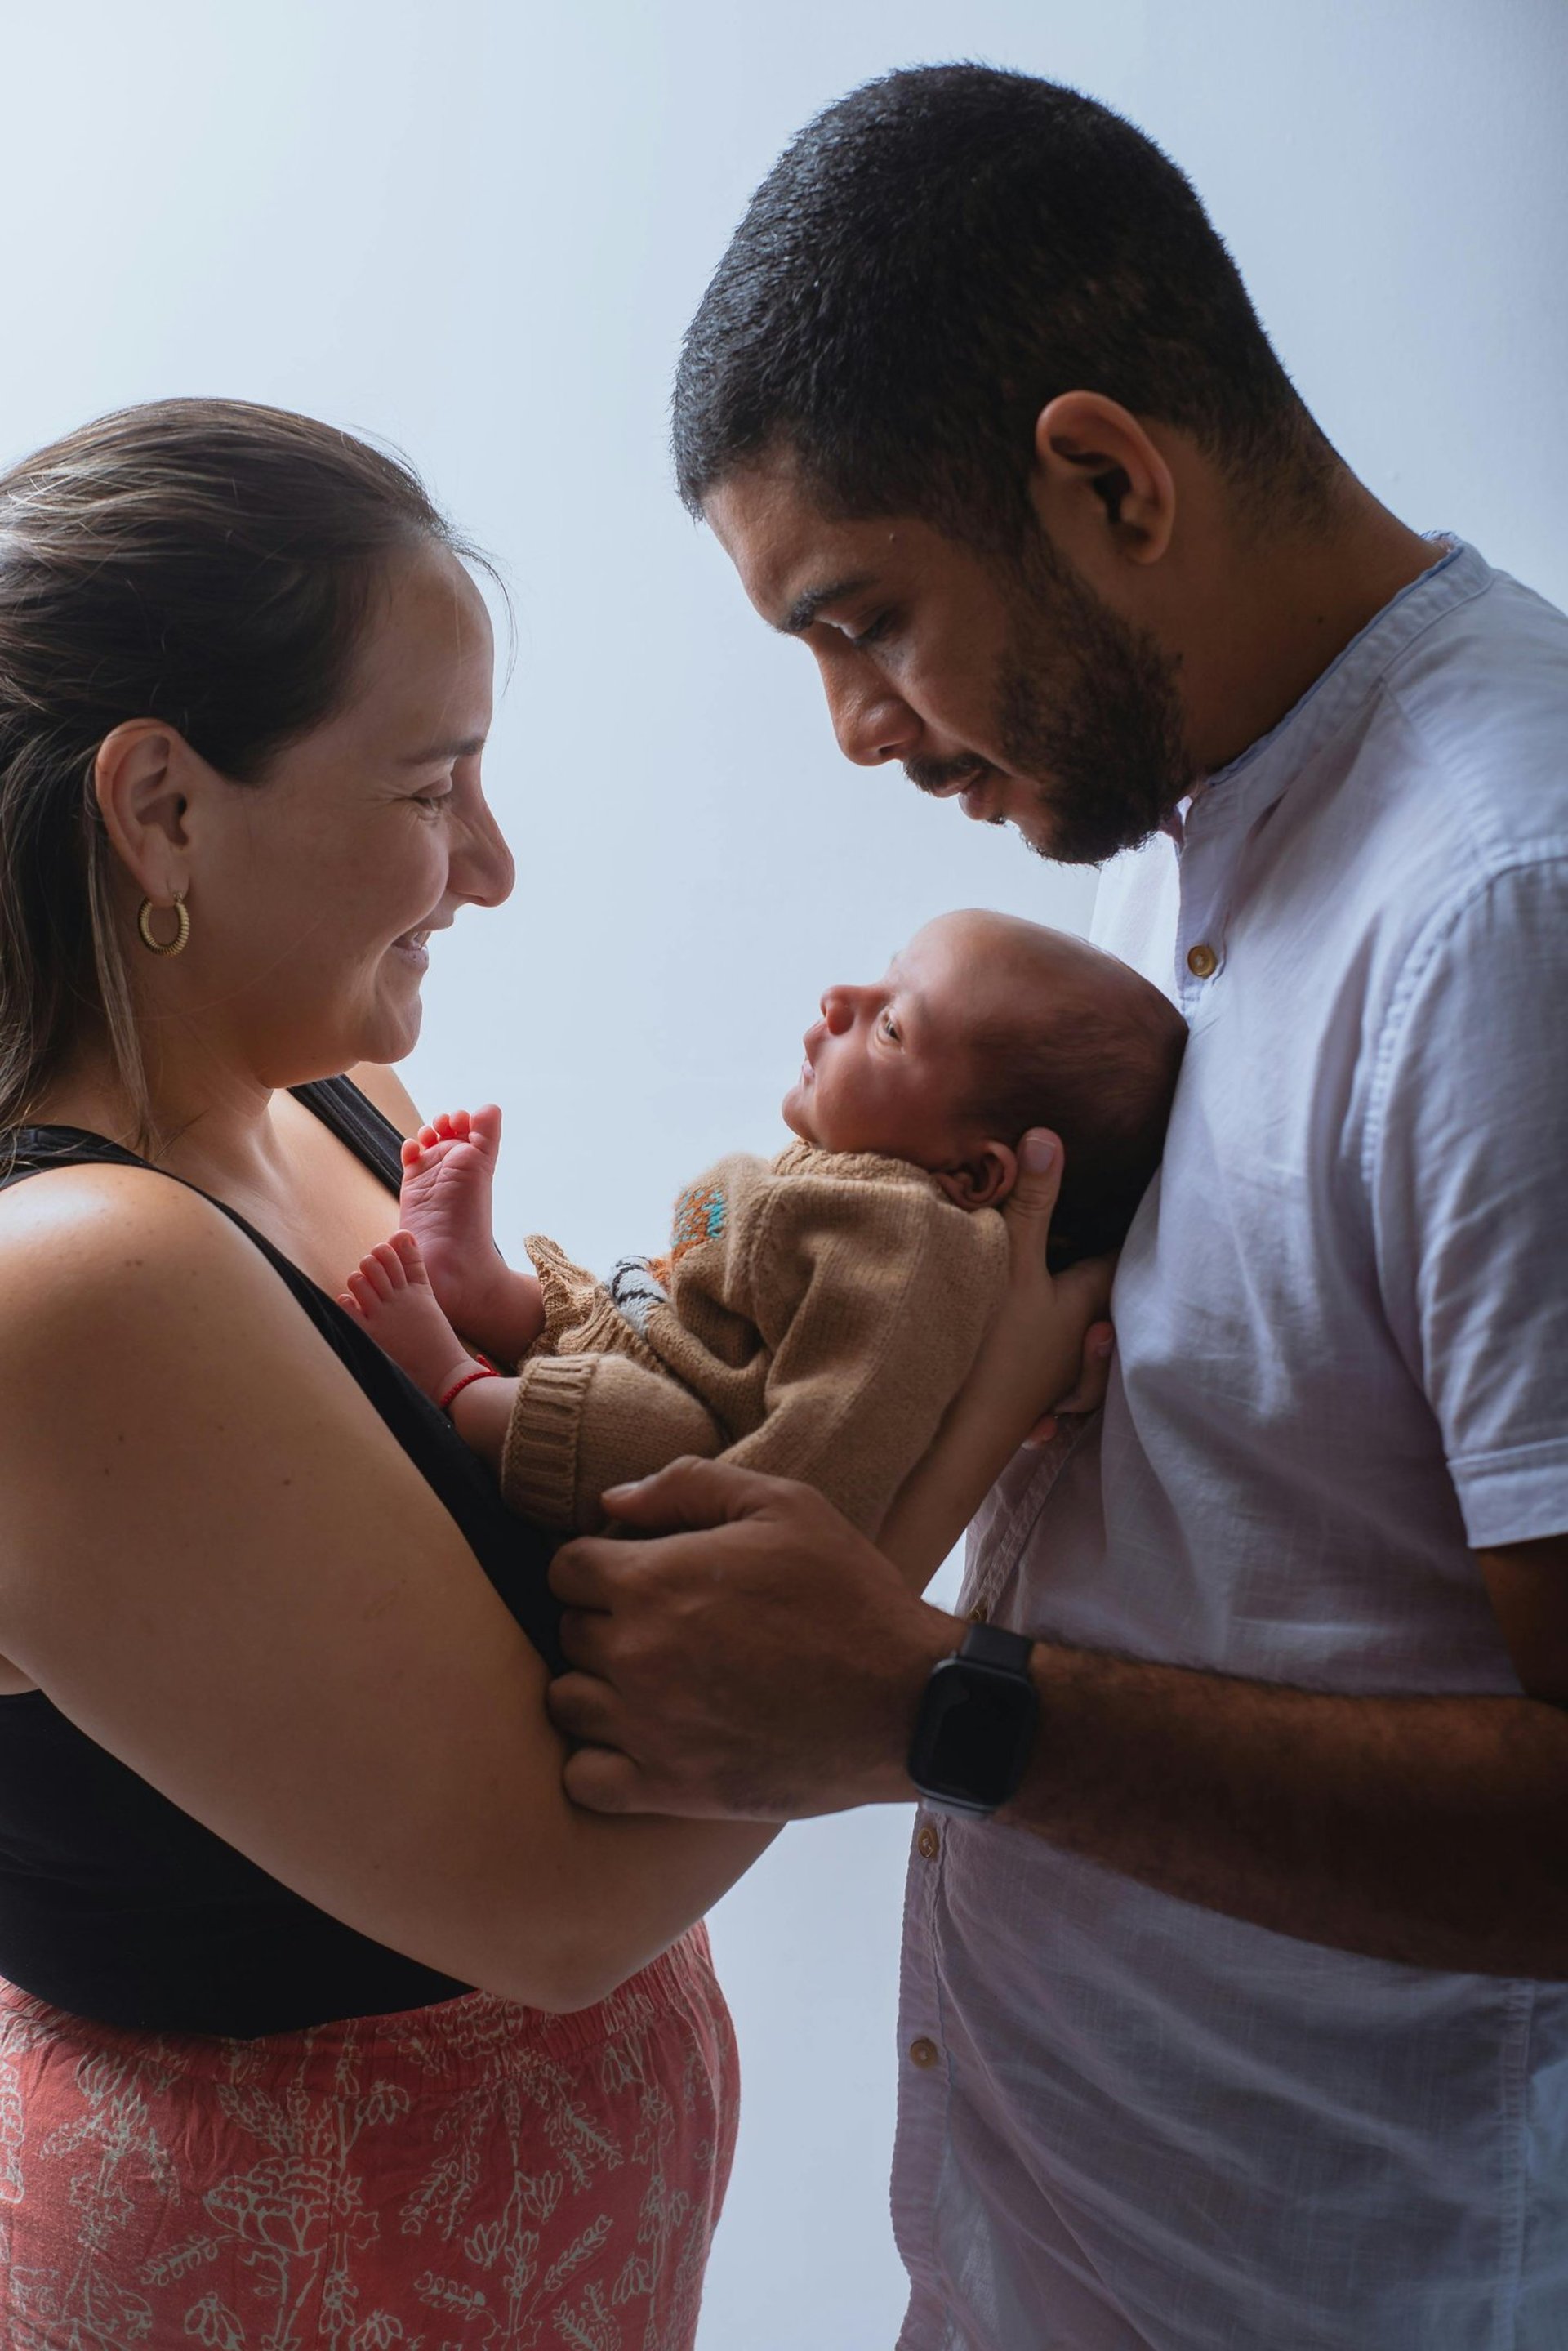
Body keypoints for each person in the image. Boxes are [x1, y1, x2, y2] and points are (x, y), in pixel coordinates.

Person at [543, 64, 1568, 2351]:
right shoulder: (1182, 838)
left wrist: (941, 1708)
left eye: (865, 620)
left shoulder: (1506, 908)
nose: (853, 731)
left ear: (1108, 478)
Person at [0, 395, 1107, 2348]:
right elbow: (556, 1906)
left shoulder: (331, 1102)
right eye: (432, 788)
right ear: (163, 804)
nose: (490, 867)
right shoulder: (79, 1279)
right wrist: (979, 1410)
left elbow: (619, 1522)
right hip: (293, 2284)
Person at [340, 910, 1182, 1536]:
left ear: (975, 1173)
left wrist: (738, 1547)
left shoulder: (919, 1251)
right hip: (664, 1341)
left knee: (652, 1426)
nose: (842, 997)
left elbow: (835, 1445)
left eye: (892, 1026)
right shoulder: (852, 1177)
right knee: (636, 1317)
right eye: (882, 975)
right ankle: (486, 1291)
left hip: (680, 1462)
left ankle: (456, 1380)